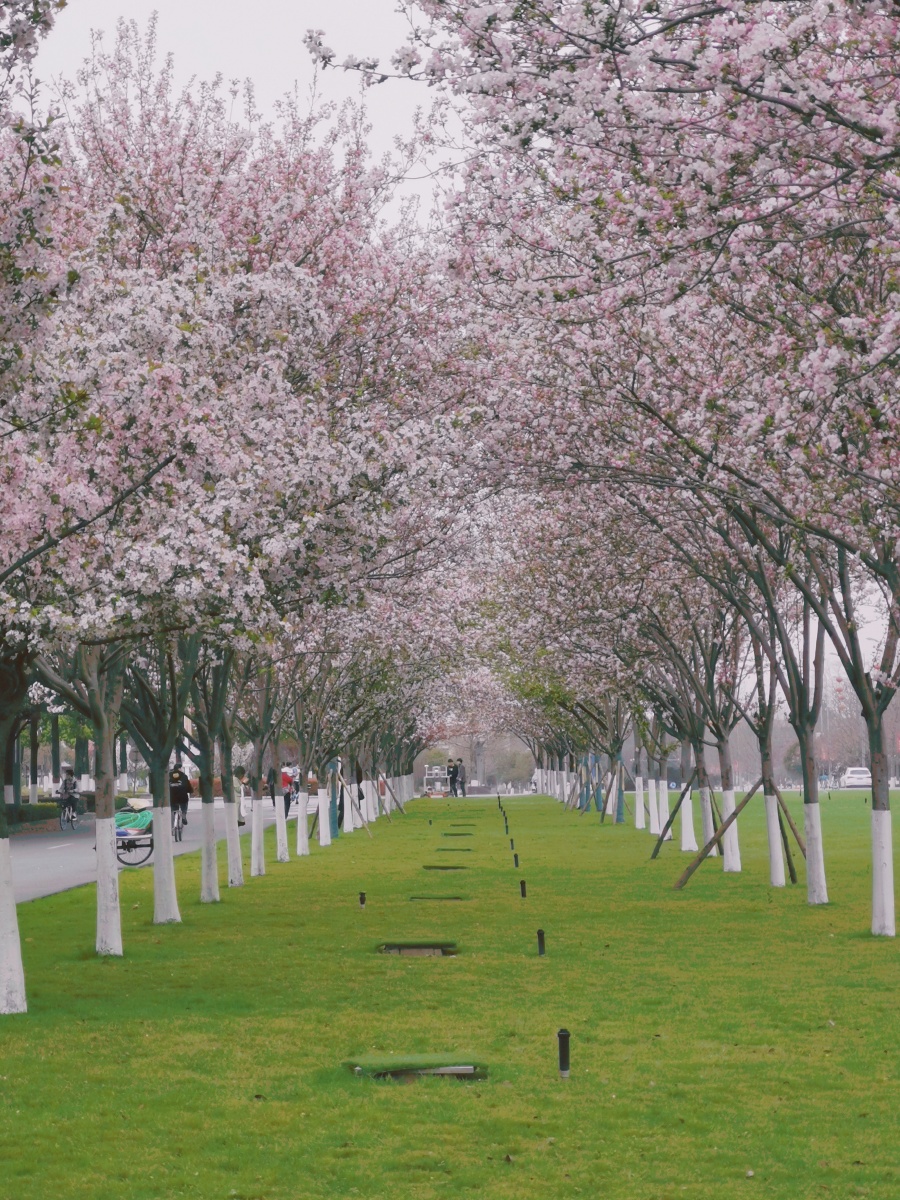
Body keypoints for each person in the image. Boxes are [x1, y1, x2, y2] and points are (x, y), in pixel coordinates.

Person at [169, 761, 192, 825]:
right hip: (182, 796)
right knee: (184, 804)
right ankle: (183, 815)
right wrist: (190, 791)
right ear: (179, 768)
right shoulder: (183, 776)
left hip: (172, 796)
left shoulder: (169, 775)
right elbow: (188, 786)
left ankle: (175, 814)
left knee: (174, 806)